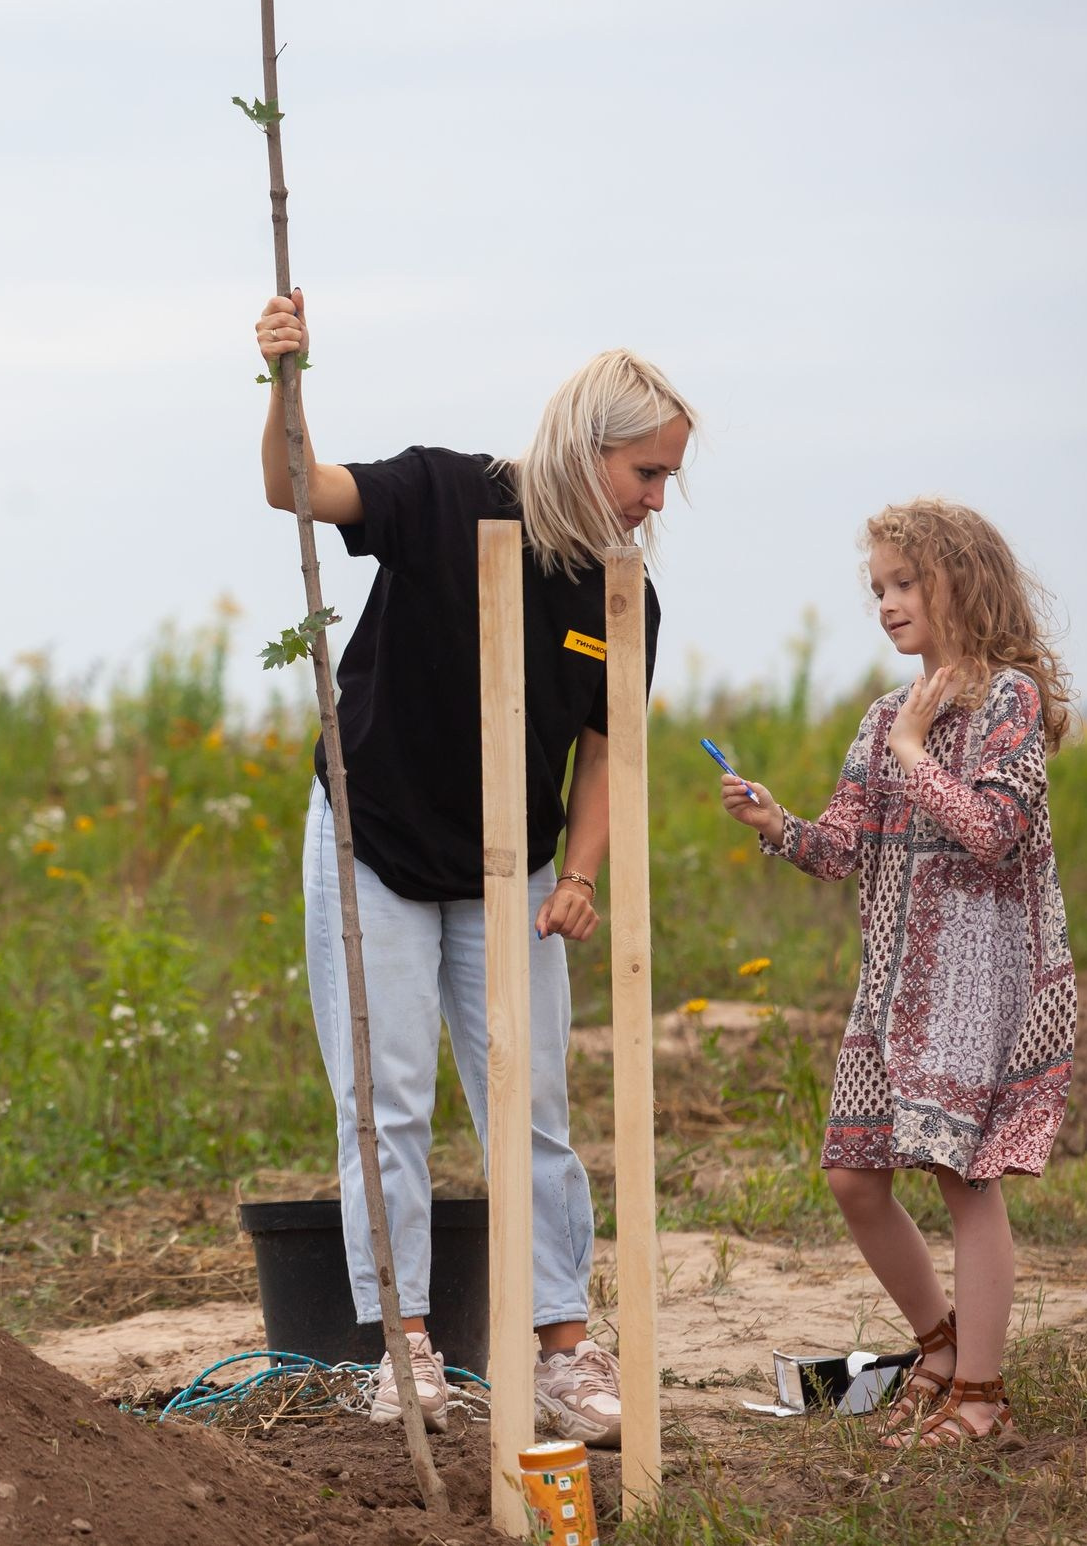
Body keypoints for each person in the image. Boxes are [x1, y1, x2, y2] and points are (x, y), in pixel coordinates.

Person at [255, 289, 696, 1447]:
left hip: (513, 869)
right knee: (384, 1098)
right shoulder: (447, 491)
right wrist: (285, 383)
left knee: (531, 1102)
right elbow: (298, 489)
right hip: (376, 837)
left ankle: (560, 1344)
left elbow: (604, 756)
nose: (658, 501)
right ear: (587, 446)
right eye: (646, 473)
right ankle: (402, 1346)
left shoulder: (620, 596)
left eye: (666, 479)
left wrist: (582, 874)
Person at [719, 498, 1074, 1448]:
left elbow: (994, 831)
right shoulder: (883, 717)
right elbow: (841, 849)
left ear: (965, 580)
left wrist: (916, 754)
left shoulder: (1009, 702)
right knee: (852, 1175)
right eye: (877, 587)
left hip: (976, 983)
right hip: (891, 986)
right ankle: (943, 1347)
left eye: (905, 582)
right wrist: (776, 822)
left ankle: (985, 1399)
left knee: (966, 1179)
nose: (886, 602)